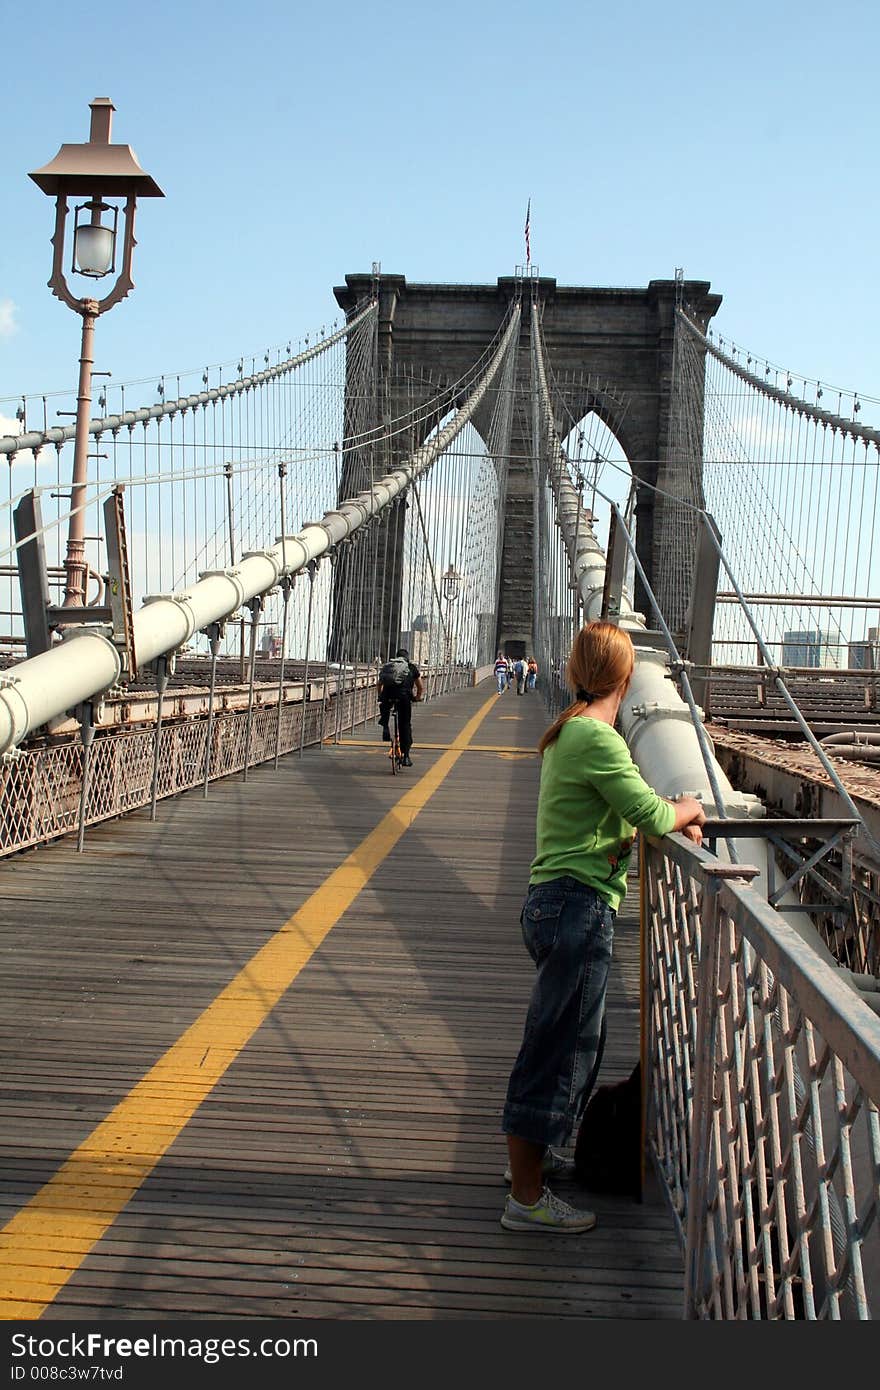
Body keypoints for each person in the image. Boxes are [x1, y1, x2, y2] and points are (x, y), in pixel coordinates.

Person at [500, 620, 705, 1233]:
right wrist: (691, 807)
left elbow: (623, 809)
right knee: (557, 1052)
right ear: (626, 677)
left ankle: (537, 1160)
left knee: (577, 1045)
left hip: (558, 903)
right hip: (576, 906)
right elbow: (647, 811)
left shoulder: (572, 731)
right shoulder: (596, 737)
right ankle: (526, 1198)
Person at [377, 647, 423, 767]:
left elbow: (379, 683)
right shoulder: (411, 667)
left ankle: (385, 726)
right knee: (405, 725)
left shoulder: (388, 666)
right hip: (404, 698)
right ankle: (406, 757)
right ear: (407, 657)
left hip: (388, 695)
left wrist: (380, 695)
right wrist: (417, 697)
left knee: (385, 706)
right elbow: (420, 687)